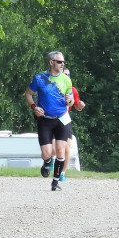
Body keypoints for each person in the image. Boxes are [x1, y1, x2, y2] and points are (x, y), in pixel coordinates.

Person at [24, 51, 73, 192]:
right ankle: (46, 162)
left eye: (63, 62)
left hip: (62, 119)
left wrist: (70, 101)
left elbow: (71, 99)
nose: (62, 64)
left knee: (60, 151)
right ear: (51, 63)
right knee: (47, 153)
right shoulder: (40, 78)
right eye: (59, 62)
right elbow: (28, 94)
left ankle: (55, 182)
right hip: (45, 120)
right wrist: (34, 107)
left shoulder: (66, 80)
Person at [59, 67, 86, 181]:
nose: (67, 77)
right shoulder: (53, 88)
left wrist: (81, 105)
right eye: (64, 74)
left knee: (67, 147)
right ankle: (51, 160)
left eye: (68, 75)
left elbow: (77, 106)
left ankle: (62, 173)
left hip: (65, 119)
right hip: (52, 119)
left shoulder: (72, 90)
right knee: (55, 147)